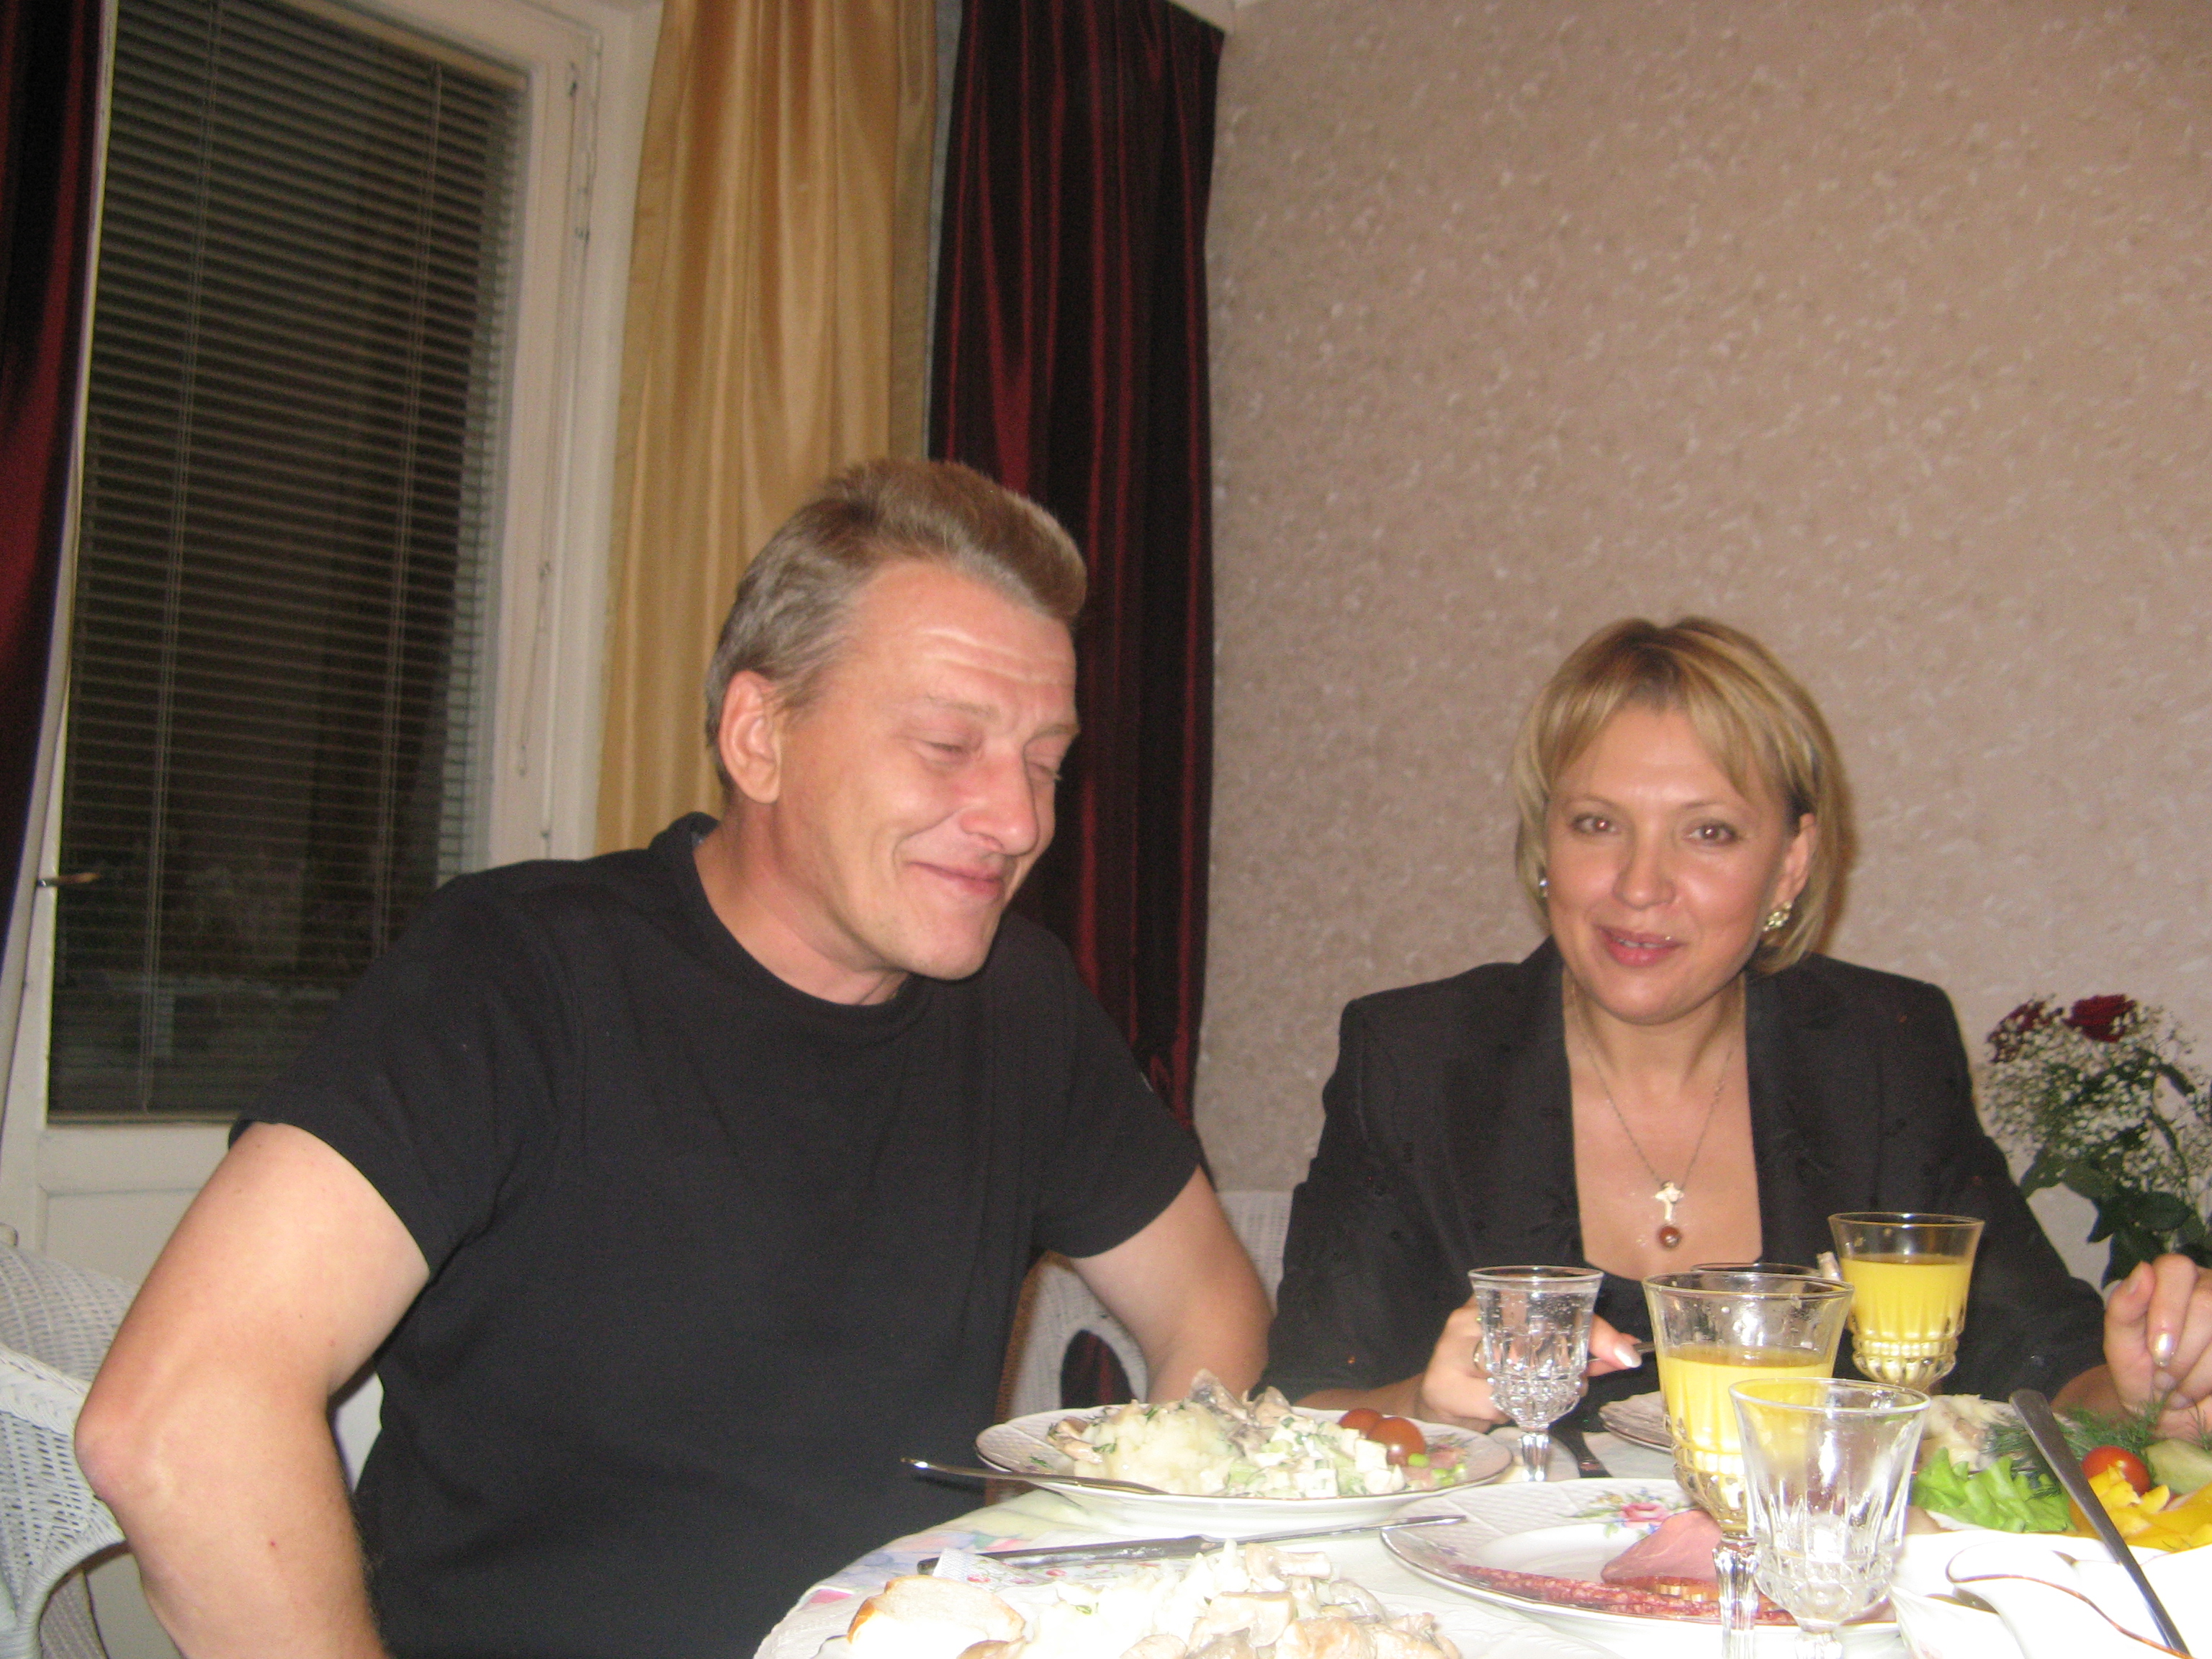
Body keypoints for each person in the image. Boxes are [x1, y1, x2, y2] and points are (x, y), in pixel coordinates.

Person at [78, 459, 1272, 1659]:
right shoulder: (522, 974)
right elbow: (182, 1417)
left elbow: (1210, 1302)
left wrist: (1123, 1590)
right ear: (760, 738)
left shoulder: (1022, 1007)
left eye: (1045, 762)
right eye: (948, 743)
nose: (1018, 820)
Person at [1267, 616, 2212, 1437]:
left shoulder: (1884, 1048)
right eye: (1596, 824)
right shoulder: (1416, 1060)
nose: (1640, 885)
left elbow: (2043, 1356)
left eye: (1708, 831)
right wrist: (1426, 1409)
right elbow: (1301, 1402)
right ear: (1543, 840)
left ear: (1792, 863)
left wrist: (2145, 1394)